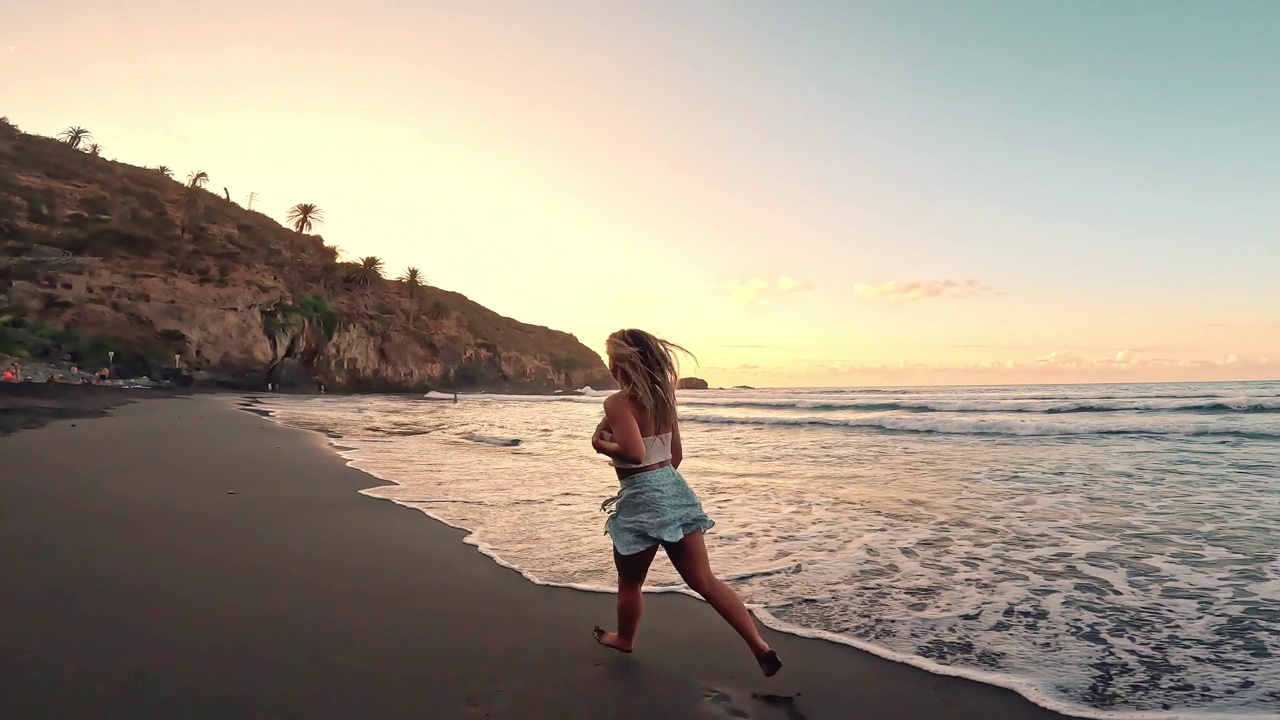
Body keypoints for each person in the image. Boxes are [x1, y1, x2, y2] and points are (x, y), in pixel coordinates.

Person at [590, 329, 782, 677]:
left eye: (610, 359)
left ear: (620, 364)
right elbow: (675, 456)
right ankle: (759, 646)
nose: (608, 366)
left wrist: (603, 446)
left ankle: (625, 639)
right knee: (705, 581)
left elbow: (633, 453)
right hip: (675, 489)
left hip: (641, 498)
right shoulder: (665, 399)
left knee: (630, 583)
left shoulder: (618, 402)